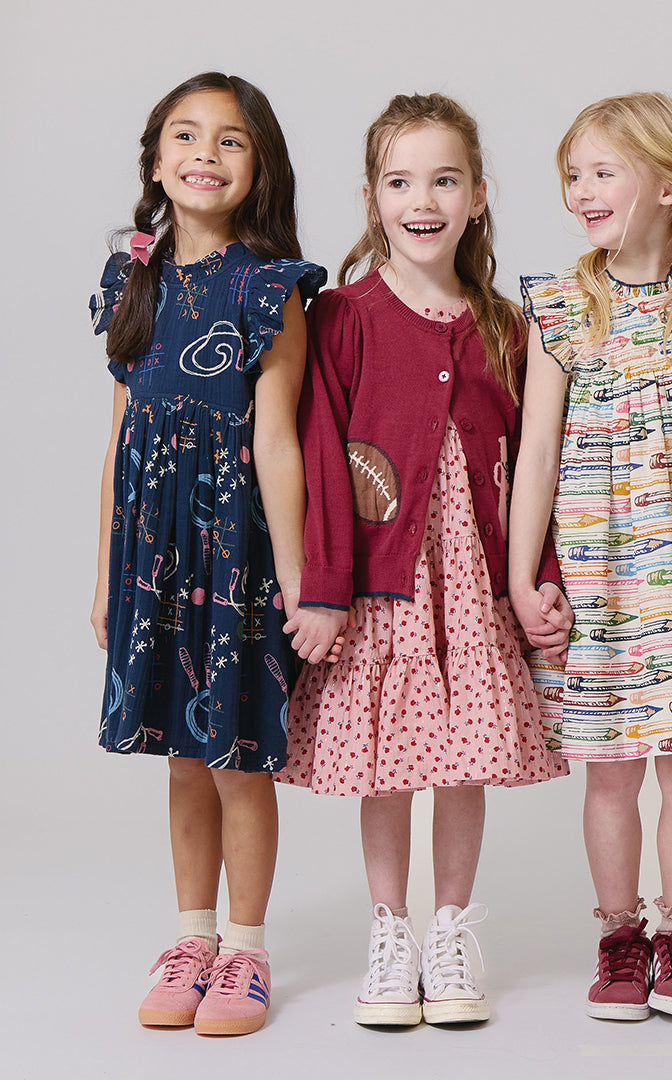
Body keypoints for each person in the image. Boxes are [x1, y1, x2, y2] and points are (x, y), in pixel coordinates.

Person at [275, 92, 570, 1027]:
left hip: (472, 580)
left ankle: (450, 930)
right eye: (401, 181)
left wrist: (539, 578)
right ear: (372, 197)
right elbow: (321, 454)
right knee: (392, 763)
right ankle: (390, 929)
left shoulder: (507, 327)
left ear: (478, 194)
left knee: (462, 761)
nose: (423, 199)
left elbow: (535, 467)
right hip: (384, 583)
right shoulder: (343, 316)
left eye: (444, 179)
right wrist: (322, 588)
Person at [89, 73, 326, 1036]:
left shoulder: (271, 291)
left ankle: (247, 950)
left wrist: (301, 579)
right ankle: (190, 938)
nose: (204, 154)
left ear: (258, 165)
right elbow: (119, 437)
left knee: (234, 757)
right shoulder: (128, 282)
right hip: (151, 552)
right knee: (179, 758)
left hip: (236, 554)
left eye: (230, 141)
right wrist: (105, 570)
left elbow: (277, 442)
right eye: (184, 136)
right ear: (154, 160)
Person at [511, 93, 672, 1023]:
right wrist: (521, 575)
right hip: (600, 571)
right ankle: (619, 937)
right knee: (609, 768)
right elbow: (535, 454)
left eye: (602, 172)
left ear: (669, 184)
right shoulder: (563, 306)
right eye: (572, 174)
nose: (580, 191)